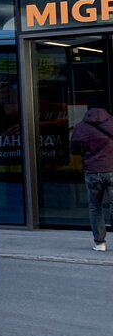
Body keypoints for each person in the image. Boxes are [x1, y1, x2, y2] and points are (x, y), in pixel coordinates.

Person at [69, 99, 113, 251]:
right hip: (112, 169)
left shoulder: (80, 128)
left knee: (95, 207)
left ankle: (100, 243)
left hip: (92, 171)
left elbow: (73, 149)